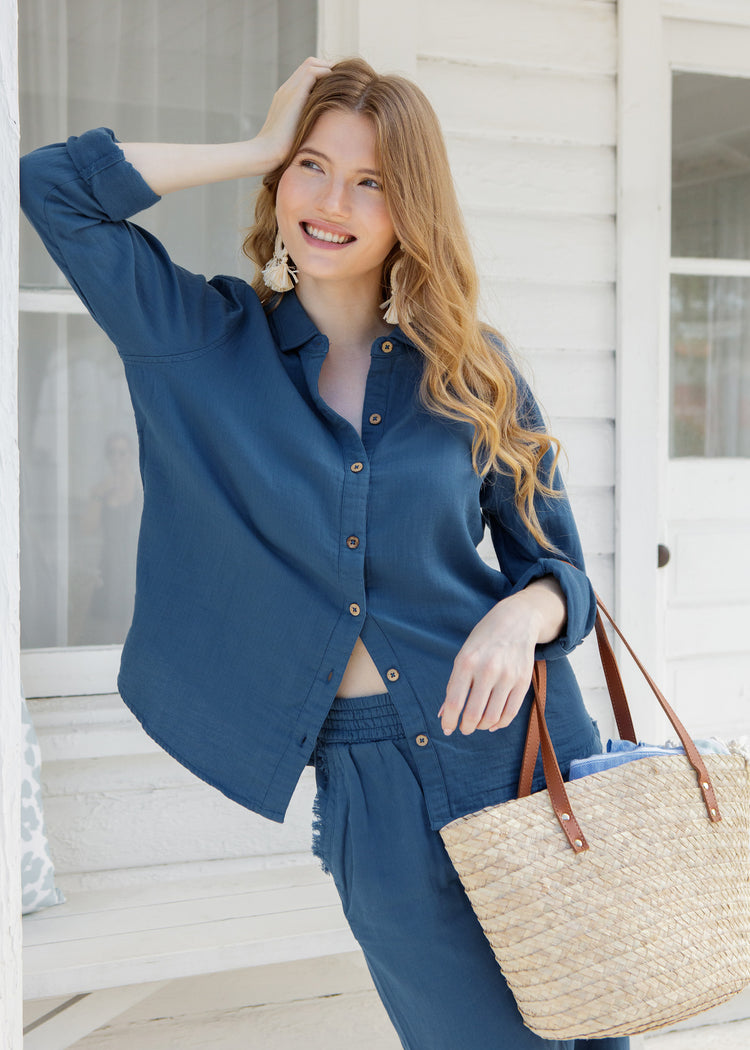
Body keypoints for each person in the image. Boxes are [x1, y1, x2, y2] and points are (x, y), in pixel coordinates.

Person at [20, 56, 629, 1050]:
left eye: (371, 179)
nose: (332, 200)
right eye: (311, 166)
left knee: (595, 1036)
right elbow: (49, 184)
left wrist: (523, 615)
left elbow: (560, 571)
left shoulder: (473, 370)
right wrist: (257, 144)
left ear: (410, 207)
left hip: (528, 749)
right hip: (373, 790)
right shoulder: (199, 339)